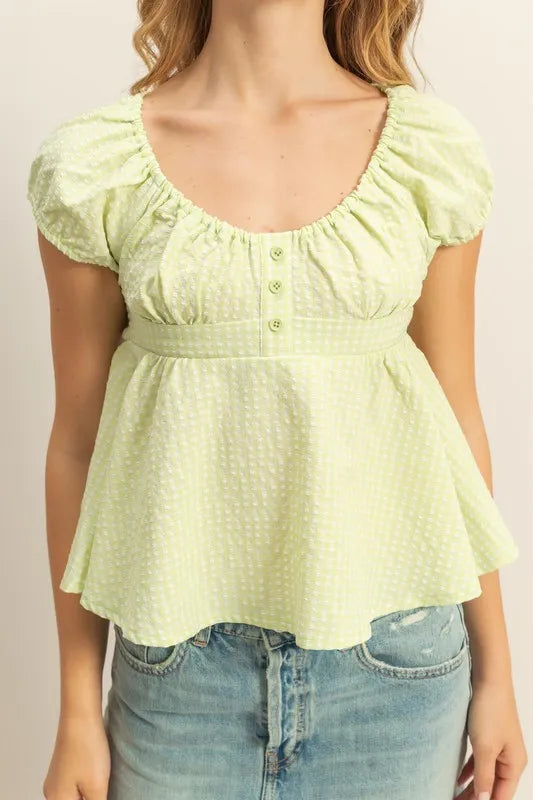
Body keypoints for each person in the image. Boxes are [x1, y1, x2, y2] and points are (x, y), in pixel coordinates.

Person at [27, 1, 527, 799]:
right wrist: (77, 709)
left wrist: (499, 674)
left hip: (397, 672)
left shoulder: (426, 153)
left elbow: (455, 420)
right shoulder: (96, 168)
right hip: (179, 679)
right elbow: (77, 446)